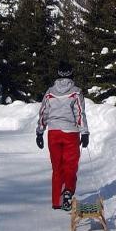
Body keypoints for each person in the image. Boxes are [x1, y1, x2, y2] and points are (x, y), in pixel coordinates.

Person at [36, 61, 90, 211]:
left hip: (53, 133)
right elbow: (79, 113)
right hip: (70, 133)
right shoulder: (76, 92)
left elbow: (44, 112)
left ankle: (57, 202)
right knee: (70, 165)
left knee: (57, 167)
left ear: (57, 74)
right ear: (72, 74)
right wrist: (84, 132)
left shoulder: (49, 92)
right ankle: (68, 192)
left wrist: (40, 132)